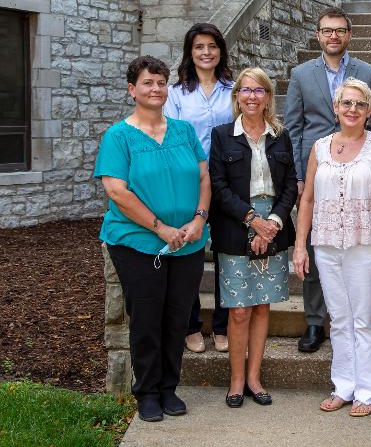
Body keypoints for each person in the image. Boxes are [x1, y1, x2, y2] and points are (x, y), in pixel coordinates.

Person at [95, 56, 210, 422]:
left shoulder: (183, 130)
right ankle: (146, 392)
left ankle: (168, 388)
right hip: (138, 243)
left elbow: (204, 178)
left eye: (161, 83)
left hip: (189, 241)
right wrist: (160, 228)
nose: (156, 89)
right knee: (146, 318)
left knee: (177, 317)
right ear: (132, 89)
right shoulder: (119, 136)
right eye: (148, 83)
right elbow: (117, 191)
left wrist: (198, 219)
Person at [293, 77, 371, 417]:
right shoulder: (320, 147)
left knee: (365, 320)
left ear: (369, 111)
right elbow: (307, 199)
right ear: (336, 108)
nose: (352, 109)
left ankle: (368, 392)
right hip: (326, 244)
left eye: (359, 104)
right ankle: (343, 386)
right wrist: (300, 245)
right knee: (339, 319)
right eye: (346, 103)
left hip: (365, 244)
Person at [285, 7, 371, 353]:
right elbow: (295, 129)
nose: (333, 36)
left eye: (340, 30)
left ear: (349, 35)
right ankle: (315, 321)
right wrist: (300, 178)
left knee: (356, 249)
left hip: (357, 174)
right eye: (327, 30)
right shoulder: (301, 74)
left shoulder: (368, 72)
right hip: (319, 173)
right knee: (317, 245)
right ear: (318, 35)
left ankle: (359, 315)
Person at [209, 67, 298, 408]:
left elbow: (290, 184)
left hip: (273, 226)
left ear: (268, 97)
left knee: (262, 306)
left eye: (259, 90)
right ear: (236, 97)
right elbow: (218, 185)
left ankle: (254, 378)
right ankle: (234, 382)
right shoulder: (222, 136)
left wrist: (271, 222)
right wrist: (252, 221)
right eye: (245, 90)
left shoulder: (281, 136)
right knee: (239, 311)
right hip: (235, 226)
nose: (251, 96)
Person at [164, 23, 234, 354]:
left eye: (212, 46)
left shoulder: (233, 91)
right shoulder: (176, 95)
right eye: (199, 47)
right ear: (189, 53)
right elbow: (172, 138)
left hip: (227, 182)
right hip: (190, 184)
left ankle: (222, 325)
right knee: (189, 254)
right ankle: (191, 325)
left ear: (220, 50)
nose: (206, 52)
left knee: (226, 255)